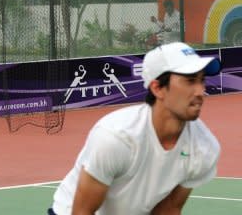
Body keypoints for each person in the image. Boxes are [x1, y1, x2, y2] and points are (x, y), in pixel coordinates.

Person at [49, 41, 221, 215]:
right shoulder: (116, 137)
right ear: (158, 88)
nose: (200, 91)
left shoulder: (203, 147)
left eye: (202, 80)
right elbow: (82, 211)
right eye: (190, 81)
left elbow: (169, 209)